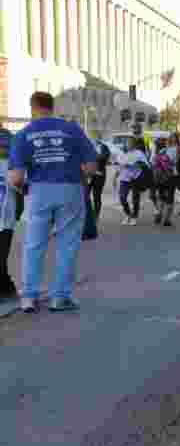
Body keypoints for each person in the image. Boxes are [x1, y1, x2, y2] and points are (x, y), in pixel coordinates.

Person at [8, 91, 97, 312]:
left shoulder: (24, 134)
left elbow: (16, 177)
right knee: (67, 244)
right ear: (52, 106)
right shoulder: (72, 129)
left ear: (33, 108)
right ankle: (61, 297)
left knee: (34, 245)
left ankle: (29, 297)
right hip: (71, 189)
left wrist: (23, 189)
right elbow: (91, 167)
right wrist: (77, 176)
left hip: (38, 191)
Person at [0, 129, 20, 299]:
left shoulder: (11, 165)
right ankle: (6, 285)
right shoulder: (12, 165)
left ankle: (6, 285)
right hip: (6, 218)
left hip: (6, 217)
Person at [116, 137, 148, 226]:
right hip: (124, 178)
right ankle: (128, 214)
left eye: (130, 143)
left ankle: (134, 217)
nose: (128, 145)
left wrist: (136, 164)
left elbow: (145, 164)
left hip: (136, 178)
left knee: (135, 199)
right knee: (122, 197)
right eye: (127, 143)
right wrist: (115, 176)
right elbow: (119, 165)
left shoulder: (139, 153)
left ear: (134, 144)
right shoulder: (122, 153)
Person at [89, 138, 111, 220]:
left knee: (96, 196)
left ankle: (96, 216)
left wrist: (95, 156)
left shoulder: (104, 147)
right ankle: (87, 214)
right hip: (89, 175)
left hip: (99, 175)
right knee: (84, 195)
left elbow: (104, 157)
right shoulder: (88, 146)